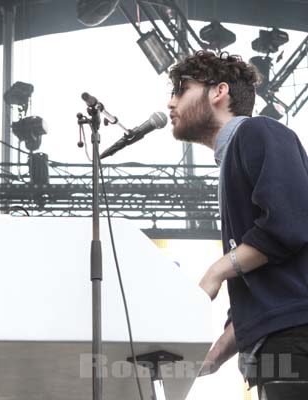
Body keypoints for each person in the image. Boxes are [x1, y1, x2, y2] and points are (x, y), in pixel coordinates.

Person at [167, 50, 308, 398]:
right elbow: (266, 289)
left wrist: (215, 272)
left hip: (297, 337)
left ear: (219, 91)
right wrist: (214, 356)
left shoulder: (258, 131)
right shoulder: (233, 157)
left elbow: (289, 223)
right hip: (277, 344)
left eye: (181, 89)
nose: (170, 103)